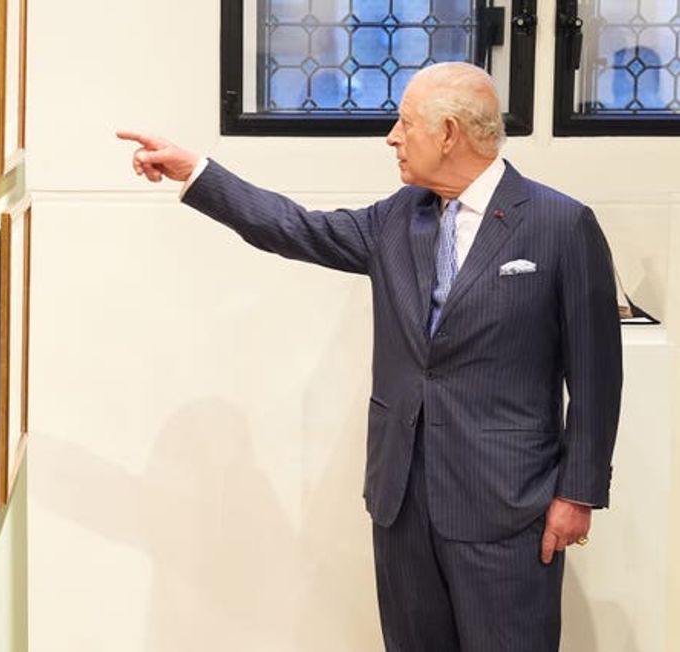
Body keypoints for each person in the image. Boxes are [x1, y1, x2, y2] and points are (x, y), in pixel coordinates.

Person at [118, 61, 622, 651]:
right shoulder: (399, 217)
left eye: (405, 123)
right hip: (401, 502)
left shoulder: (561, 224)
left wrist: (577, 494)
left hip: (506, 506)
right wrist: (197, 173)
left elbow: (596, 375)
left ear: (449, 134)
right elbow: (294, 228)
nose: (392, 137)